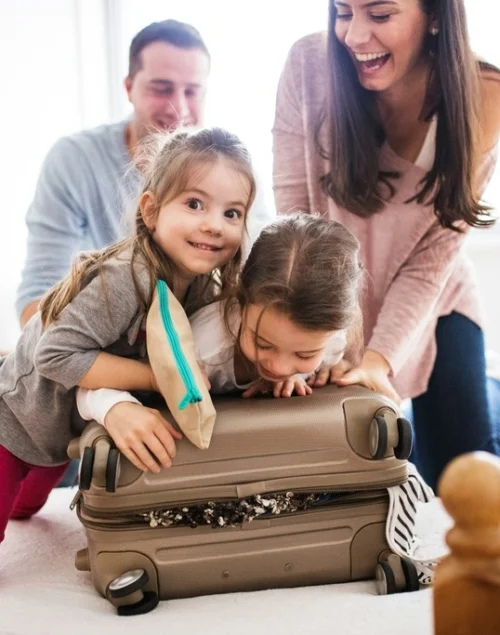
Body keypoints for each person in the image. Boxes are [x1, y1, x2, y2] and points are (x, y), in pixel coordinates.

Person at [272, 0, 500, 489]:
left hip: (434, 300)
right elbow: (295, 220)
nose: (354, 36)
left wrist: (378, 360)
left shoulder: (485, 95)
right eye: (342, 11)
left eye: (380, 15)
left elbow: (433, 260)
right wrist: (322, 338)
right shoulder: (309, 67)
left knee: (468, 481)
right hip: (330, 292)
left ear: (435, 16)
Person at [0, 126, 256, 546]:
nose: (214, 225)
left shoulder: (203, 286)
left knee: (28, 510)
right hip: (16, 419)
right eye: (195, 204)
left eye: (232, 213)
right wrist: (156, 377)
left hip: (63, 430)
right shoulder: (126, 277)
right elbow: (55, 356)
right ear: (151, 211)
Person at [77, 213, 364, 473]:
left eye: (304, 353)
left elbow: (331, 359)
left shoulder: (332, 340)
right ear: (241, 299)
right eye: (263, 344)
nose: (279, 366)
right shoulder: (204, 347)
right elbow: (86, 385)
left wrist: (314, 372)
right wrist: (115, 408)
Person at [16, 19, 211, 327]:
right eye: (161, 89)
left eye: (192, 91)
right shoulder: (74, 161)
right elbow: (38, 300)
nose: (178, 108)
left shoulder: (229, 169)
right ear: (129, 88)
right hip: (97, 344)